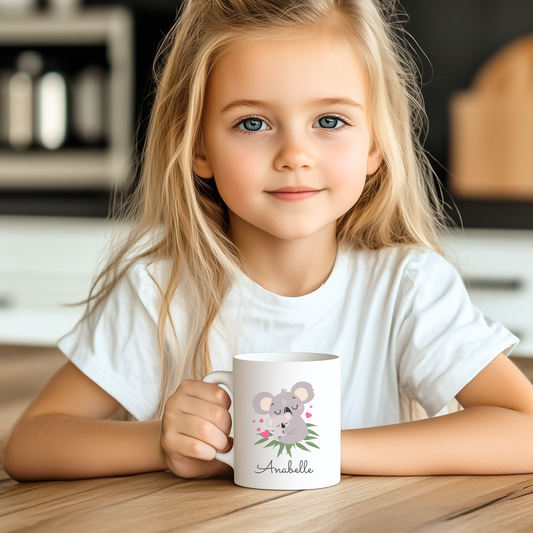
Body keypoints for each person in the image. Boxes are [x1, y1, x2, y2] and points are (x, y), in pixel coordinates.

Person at [4, 0, 533, 482]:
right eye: (253, 123)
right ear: (198, 147)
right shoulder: (158, 293)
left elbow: (523, 430)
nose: (294, 154)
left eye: (329, 120)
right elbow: (31, 443)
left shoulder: (407, 289)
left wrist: (323, 450)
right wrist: (159, 442)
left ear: (375, 146)